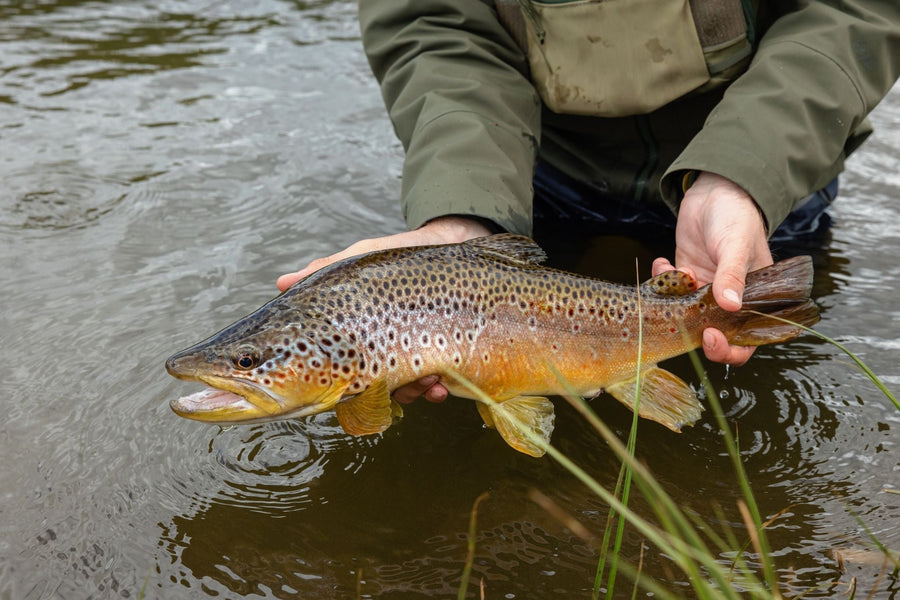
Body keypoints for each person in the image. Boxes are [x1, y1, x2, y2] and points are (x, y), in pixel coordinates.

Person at [278, 1, 900, 405]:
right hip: (537, 163)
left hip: (772, 141)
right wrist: (461, 212)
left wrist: (745, 175)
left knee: (765, 359)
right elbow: (435, 28)